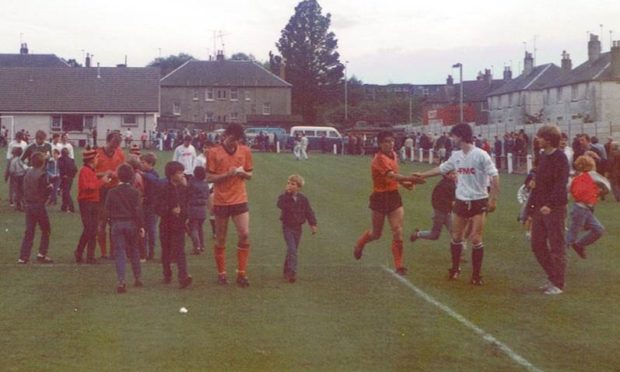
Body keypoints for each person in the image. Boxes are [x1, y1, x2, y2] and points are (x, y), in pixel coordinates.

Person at [413, 123, 499, 285]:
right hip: (461, 201)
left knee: (475, 238)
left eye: (453, 136)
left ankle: (476, 275)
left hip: (478, 201)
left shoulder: (481, 155)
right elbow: (442, 169)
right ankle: (455, 269)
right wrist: (422, 175)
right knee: (456, 236)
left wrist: (493, 199)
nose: (451, 138)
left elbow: (495, 176)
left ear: (460, 136)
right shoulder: (456, 155)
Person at [354, 131, 425, 276]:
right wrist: (410, 179)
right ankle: (360, 244)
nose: (390, 144)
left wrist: (405, 184)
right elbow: (390, 175)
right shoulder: (378, 159)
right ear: (380, 144)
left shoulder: (394, 155)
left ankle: (399, 265)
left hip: (393, 196)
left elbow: (394, 179)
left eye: (392, 141)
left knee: (398, 230)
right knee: (376, 234)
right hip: (379, 197)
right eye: (386, 141)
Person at [206, 123, 253, 287]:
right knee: (221, 238)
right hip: (221, 200)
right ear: (226, 135)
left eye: (237, 140)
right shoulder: (213, 152)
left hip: (240, 198)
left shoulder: (245, 150)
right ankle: (222, 273)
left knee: (245, 234)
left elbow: (250, 174)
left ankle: (241, 273)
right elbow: (209, 178)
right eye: (232, 139)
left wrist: (243, 174)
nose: (234, 143)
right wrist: (227, 174)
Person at [527, 125, 569, 295]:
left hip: (554, 208)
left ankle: (558, 283)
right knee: (537, 244)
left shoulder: (560, 158)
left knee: (557, 246)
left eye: (541, 137)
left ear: (549, 139)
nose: (538, 139)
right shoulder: (543, 156)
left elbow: (561, 184)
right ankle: (552, 276)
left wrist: (550, 205)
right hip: (539, 207)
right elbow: (538, 181)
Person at [106, 164, 145, 294]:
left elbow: (108, 209)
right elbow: (138, 211)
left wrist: (109, 222)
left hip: (117, 223)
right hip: (131, 223)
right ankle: (138, 277)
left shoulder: (112, 192)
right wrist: (141, 226)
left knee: (120, 252)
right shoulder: (135, 192)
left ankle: (121, 280)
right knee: (134, 250)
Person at [157, 161, 193, 288]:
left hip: (179, 224)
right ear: (172, 175)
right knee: (166, 250)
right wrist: (170, 209)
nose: (182, 175)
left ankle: (183, 276)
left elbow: (188, 204)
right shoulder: (163, 188)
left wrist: (185, 215)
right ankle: (167, 273)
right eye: (179, 172)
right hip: (166, 224)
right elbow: (158, 208)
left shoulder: (184, 188)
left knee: (180, 251)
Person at [277, 174, 317, 283]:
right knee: (292, 249)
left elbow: (309, 211)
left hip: (298, 228)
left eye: (293, 184)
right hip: (287, 227)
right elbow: (280, 205)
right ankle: (292, 272)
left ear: (298, 187)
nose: (289, 185)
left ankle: (286, 270)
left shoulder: (303, 199)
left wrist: (313, 224)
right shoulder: (284, 197)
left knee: (292, 249)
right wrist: (287, 194)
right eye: (288, 183)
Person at [566, 155, 606, 259]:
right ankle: (558, 255)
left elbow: (568, 190)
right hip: (581, 209)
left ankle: (578, 245)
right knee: (571, 235)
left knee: (598, 230)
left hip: (582, 209)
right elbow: (607, 186)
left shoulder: (576, 178)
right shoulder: (592, 176)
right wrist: (598, 193)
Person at [75, 148, 110, 264]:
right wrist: (102, 182)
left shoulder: (91, 171)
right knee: (89, 228)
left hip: (94, 202)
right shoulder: (85, 171)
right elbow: (88, 187)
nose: (98, 160)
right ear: (91, 160)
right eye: (96, 158)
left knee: (93, 229)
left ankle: (90, 256)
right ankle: (80, 252)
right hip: (86, 203)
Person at [18, 152, 53, 264]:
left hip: (28, 204)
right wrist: (50, 188)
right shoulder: (42, 174)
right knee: (46, 229)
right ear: (42, 162)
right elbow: (43, 191)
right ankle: (42, 253)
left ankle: (23, 257)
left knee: (29, 231)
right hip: (38, 205)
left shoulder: (27, 173)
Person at [95, 131, 125, 259]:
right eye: (113, 143)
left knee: (115, 222)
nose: (115, 147)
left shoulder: (120, 153)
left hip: (115, 190)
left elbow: (123, 171)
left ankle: (114, 251)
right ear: (108, 141)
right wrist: (104, 174)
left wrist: (115, 174)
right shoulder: (98, 153)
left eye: (117, 144)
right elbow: (91, 173)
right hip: (102, 191)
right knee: (101, 222)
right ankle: (103, 252)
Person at [409, 170, 456, 243]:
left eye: (455, 173)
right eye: (453, 174)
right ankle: (417, 234)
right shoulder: (447, 185)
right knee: (434, 235)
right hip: (440, 212)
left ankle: (459, 251)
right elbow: (452, 202)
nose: (455, 175)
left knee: (455, 232)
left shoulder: (450, 183)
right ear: (446, 175)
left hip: (447, 212)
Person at [140, 152, 160, 260]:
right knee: (143, 229)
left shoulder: (153, 174)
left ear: (150, 163)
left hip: (152, 206)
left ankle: (151, 252)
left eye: (143, 163)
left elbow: (155, 180)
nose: (141, 165)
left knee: (151, 229)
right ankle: (144, 252)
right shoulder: (142, 173)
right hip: (144, 205)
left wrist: (144, 175)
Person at [187, 166, 210, 255]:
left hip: (193, 207)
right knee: (200, 227)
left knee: (193, 227)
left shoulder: (192, 183)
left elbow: (187, 193)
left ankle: (196, 246)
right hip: (203, 208)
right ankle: (202, 245)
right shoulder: (205, 184)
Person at [58, 148, 77, 213]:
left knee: (66, 193)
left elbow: (60, 168)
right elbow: (75, 169)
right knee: (65, 192)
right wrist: (71, 175)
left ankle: (71, 208)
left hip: (64, 178)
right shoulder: (71, 160)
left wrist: (64, 175)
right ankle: (64, 207)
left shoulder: (61, 159)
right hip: (70, 178)